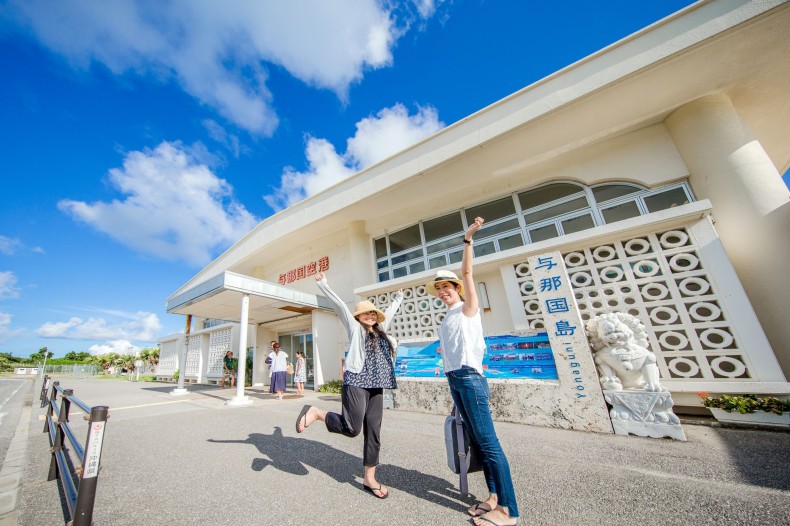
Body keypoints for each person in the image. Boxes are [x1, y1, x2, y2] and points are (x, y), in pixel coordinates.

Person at [427, 216, 520, 526]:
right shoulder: (447, 318)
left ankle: (508, 511)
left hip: (470, 378)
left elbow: (467, 271)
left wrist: (468, 238)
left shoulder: (468, 309)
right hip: (456, 380)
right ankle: (493, 498)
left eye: (447, 287)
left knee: (490, 444)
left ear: (458, 289)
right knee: (479, 443)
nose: (443, 291)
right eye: (439, 288)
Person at [295, 272, 403, 500]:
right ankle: (317, 413)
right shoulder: (354, 329)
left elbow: (389, 315)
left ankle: (369, 478)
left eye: (373, 312)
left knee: (374, 431)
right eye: (367, 312)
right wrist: (324, 284)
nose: (371, 315)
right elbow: (340, 305)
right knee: (352, 428)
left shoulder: (381, 332)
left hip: (377, 385)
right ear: (359, 316)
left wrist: (397, 299)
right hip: (356, 381)